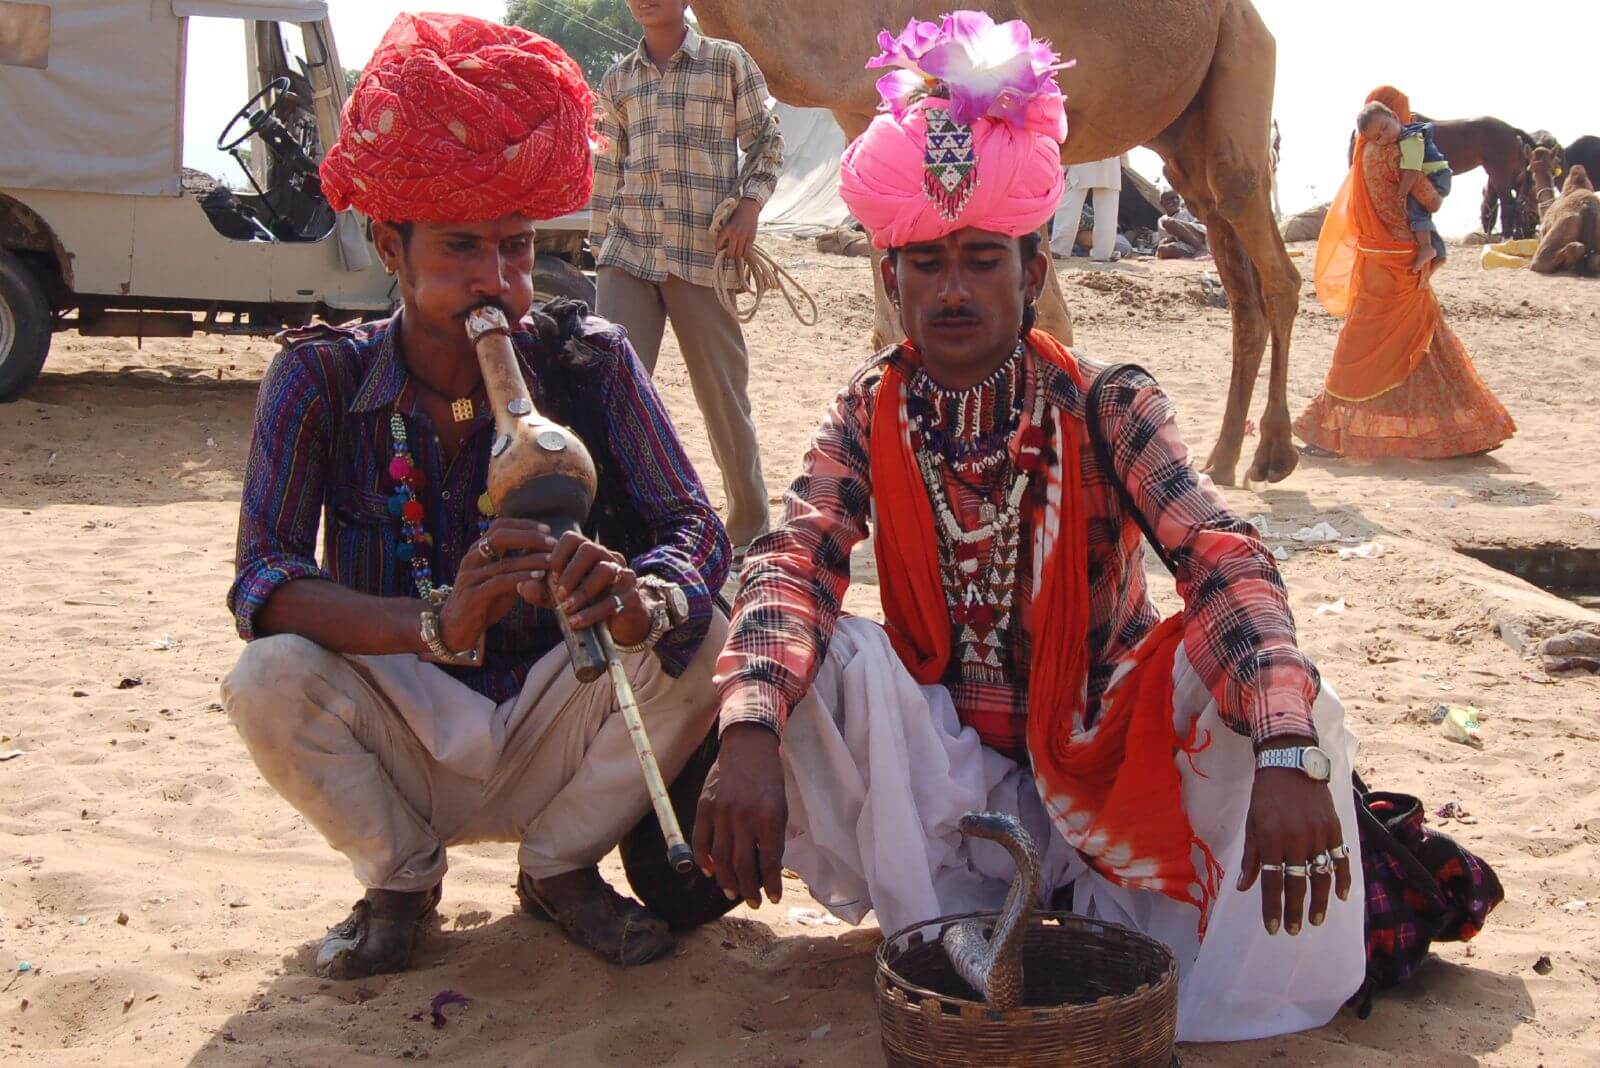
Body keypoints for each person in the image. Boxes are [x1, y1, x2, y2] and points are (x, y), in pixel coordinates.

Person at [693, 12, 1366, 1042]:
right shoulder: (867, 411)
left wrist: (1285, 751)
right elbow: (796, 557)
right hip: (951, 776)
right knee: (798, 659)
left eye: (980, 259)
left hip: (1105, 761)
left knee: (1279, 697)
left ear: (1032, 269)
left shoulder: (1109, 406)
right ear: (889, 279)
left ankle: (1157, 919)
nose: (952, 289)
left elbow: (1223, 560)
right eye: (926, 263)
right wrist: (746, 727)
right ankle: (963, 906)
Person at [221, 13, 731, 978]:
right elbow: (264, 581)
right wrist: (437, 623)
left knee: (705, 635)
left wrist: (638, 597)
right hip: (408, 713)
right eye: (460, 249)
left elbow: (691, 524)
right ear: (389, 246)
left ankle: (561, 871)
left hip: (560, 709)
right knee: (268, 679)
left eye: (516, 249)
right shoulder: (321, 380)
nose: (495, 283)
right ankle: (400, 882)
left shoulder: (589, 359)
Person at [592, 0, 785, 561]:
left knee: (723, 396)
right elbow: (609, 169)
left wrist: (750, 206)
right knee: (611, 389)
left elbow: (767, 140)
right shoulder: (617, 79)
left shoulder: (727, 63)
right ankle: (615, 527)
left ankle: (748, 527)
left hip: (703, 253)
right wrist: (599, 242)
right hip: (628, 251)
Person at [1296, 86, 1515, 460]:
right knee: (1423, 343)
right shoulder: (1398, 152)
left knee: (1365, 343)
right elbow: (1429, 198)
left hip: (1374, 259)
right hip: (1403, 261)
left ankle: (1328, 431)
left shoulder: (1363, 155)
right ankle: (1460, 432)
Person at [1356, 101, 1452, 272]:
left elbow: (1412, 172)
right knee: (1420, 212)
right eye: (1378, 137)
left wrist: (1401, 194)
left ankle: (1427, 248)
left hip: (1437, 177)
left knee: (1417, 210)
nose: (1385, 137)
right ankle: (1434, 251)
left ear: (1394, 116)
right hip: (1432, 178)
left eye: (1385, 128)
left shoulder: (1410, 140)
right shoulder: (1395, 148)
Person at [1050, 155, 1122, 260]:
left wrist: (1063, 166)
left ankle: (1059, 249)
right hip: (1110, 164)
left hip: (1081, 162)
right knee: (1107, 214)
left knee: (1068, 209)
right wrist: (1123, 162)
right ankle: (1103, 253)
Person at [1156, 189, 1209, 259]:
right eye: (1171, 198)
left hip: (1199, 239)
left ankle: (1202, 249)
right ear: (1162, 203)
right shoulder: (1161, 220)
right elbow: (1164, 239)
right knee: (1162, 250)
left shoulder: (1187, 212)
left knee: (1169, 223)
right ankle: (1193, 255)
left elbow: (1202, 223)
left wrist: (1180, 228)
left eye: (1177, 198)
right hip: (1183, 245)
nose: (1175, 201)